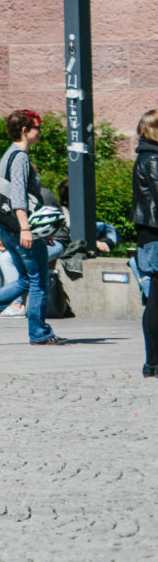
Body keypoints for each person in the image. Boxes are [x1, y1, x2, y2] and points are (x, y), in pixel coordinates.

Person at [0, 110, 65, 346]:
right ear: (25, 130)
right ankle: (39, 333)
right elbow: (18, 197)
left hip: (10, 228)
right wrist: (27, 228)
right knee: (38, 281)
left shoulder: (8, 155)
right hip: (21, 229)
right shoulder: (21, 157)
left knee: (26, 279)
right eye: (37, 128)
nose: (40, 132)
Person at [132, 108, 157, 378]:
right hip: (156, 236)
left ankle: (153, 362)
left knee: (155, 300)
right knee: (155, 301)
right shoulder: (152, 159)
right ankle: (153, 362)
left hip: (151, 236)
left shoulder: (147, 157)